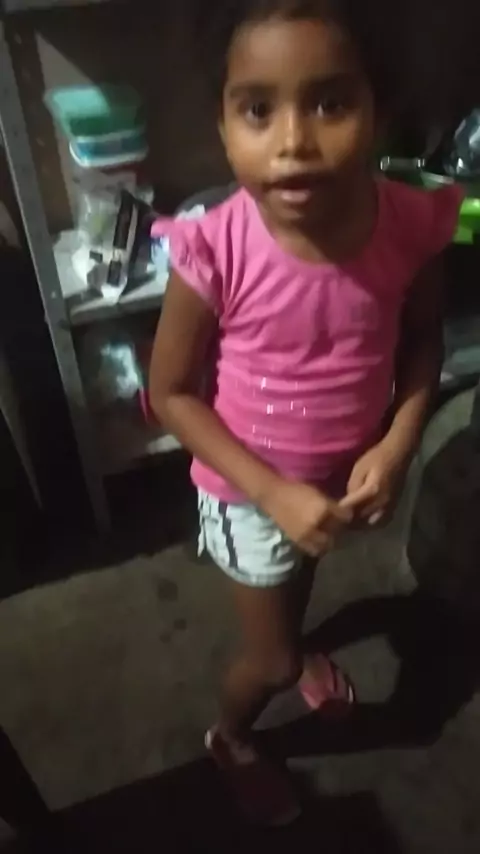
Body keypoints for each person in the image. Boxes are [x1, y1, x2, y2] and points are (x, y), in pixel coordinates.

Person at [149, 0, 462, 826]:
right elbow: (170, 392)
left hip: (337, 478)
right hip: (247, 492)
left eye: (330, 102)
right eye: (258, 109)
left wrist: (398, 442)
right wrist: (273, 493)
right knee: (273, 659)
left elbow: (424, 339)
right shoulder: (213, 248)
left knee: (303, 580)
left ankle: (292, 638)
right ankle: (232, 736)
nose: (293, 140)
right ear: (223, 126)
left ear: (379, 111)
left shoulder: (409, 225)